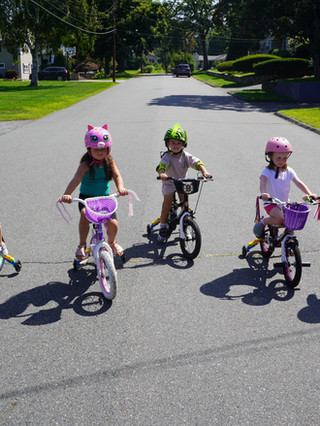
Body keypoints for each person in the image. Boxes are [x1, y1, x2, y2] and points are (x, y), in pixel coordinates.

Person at [60, 124, 128, 259]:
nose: (100, 152)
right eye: (96, 149)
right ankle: (82, 245)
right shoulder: (85, 164)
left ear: (108, 149)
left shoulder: (110, 161)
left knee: (113, 223)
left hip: (104, 199)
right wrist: (67, 194)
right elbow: (76, 179)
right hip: (86, 199)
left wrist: (120, 187)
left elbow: (117, 176)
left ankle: (112, 243)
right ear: (89, 149)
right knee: (85, 215)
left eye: (103, 149)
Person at [156, 122, 212, 243]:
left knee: (185, 205)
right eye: (173, 143)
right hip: (170, 183)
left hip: (182, 183)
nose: (176, 145)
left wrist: (204, 172)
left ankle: (186, 225)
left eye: (178, 143)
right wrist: (162, 173)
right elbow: (162, 165)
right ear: (168, 144)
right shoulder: (167, 156)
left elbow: (197, 162)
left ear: (183, 144)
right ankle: (162, 225)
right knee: (167, 204)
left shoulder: (185, 156)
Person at [253, 136, 317, 237]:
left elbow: (299, 183)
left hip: (284, 204)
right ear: (270, 156)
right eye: (278, 158)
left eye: (285, 158)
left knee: (292, 222)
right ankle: (262, 222)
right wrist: (264, 193)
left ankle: (289, 244)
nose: (282, 161)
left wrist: (309, 194)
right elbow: (263, 182)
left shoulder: (289, 171)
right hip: (271, 203)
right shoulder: (267, 172)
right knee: (280, 219)